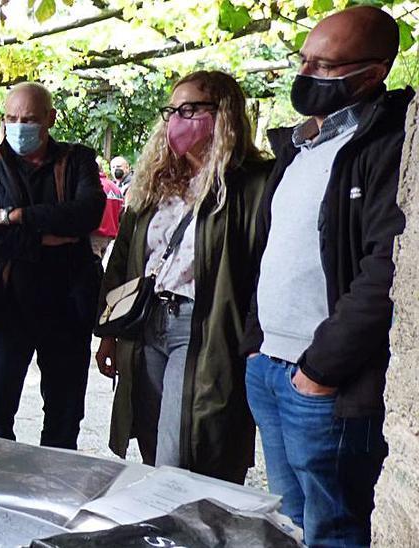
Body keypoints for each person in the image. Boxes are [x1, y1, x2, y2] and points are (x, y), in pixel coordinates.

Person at [243, 6, 412, 545]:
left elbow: (386, 269)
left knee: (334, 528)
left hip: (322, 384)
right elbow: (272, 252)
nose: (306, 73)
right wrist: (254, 343)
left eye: (326, 65)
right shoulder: (299, 146)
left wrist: (320, 370)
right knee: (293, 522)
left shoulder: (389, 146)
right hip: (269, 368)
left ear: (375, 71)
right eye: (304, 60)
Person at [94, 71, 270, 483]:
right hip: (146, 323)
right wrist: (108, 331)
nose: (176, 119)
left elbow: (263, 269)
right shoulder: (157, 179)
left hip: (203, 327)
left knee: (187, 449)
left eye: (190, 109)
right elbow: (124, 257)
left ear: (223, 114)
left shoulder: (252, 183)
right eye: (172, 110)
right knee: (154, 443)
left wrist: (255, 339)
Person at [0, 82, 105, 449]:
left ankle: (54, 498)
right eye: (11, 118)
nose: (18, 126)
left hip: (66, 311)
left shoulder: (77, 161)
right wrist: (40, 238)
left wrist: (16, 215)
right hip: (2, 310)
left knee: (64, 421)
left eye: (29, 119)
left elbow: (87, 214)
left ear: (50, 119)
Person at [91, 168, 124, 258]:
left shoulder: (92, 186)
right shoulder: (114, 187)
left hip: (95, 234)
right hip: (110, 235)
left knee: (94, 266)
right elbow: (121, 212)